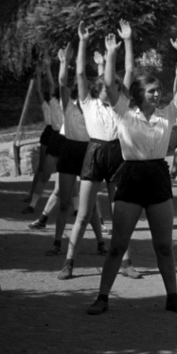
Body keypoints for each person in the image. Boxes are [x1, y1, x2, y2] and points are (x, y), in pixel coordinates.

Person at [86, 25, 177, 315]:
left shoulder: (167, 114)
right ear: (138, 93)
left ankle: (172, 298)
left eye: (159, 90)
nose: (158, 94)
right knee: (118, 245)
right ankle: (102, 298)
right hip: (131, 177)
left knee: (164, 246)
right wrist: (111, 53)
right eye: (152, 90)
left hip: (158, 176)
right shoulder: (123, 112)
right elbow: (109, 84)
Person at [58, 23, 142, 281]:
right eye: (109, 85)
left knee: (120, 214)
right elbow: (80, 74)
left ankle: (126, 263)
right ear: (99, 89)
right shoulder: (88, 102)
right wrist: (82, 41)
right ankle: (68, 262)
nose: (113, 87)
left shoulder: (122, 103)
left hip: (118, 155)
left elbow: (128, 70)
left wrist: (127, 41)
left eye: (116, 85)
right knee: (83, 214)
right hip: (94, 153)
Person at [48, 44, 99, 259]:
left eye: (85, 85)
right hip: (70, 150)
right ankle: (58, 242)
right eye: (79, 86)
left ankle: (100, 241)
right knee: (65, 202)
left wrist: (101, 65)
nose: (82, 87)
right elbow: (61, 83)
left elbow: (106, 86)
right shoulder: (68, 105)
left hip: (88, 151)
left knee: (91, 204)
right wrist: (63, 63)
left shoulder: (94, 105)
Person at [24, 60, 63, 224]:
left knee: (62, 174)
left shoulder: (65, 104)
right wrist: (46, 70)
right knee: (45, 171)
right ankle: (33, 202)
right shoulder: (53, 104)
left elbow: (51, 85)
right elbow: (51, 86)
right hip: (55, 135)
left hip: (60, 136)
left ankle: (75, 208)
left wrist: (45, 70)